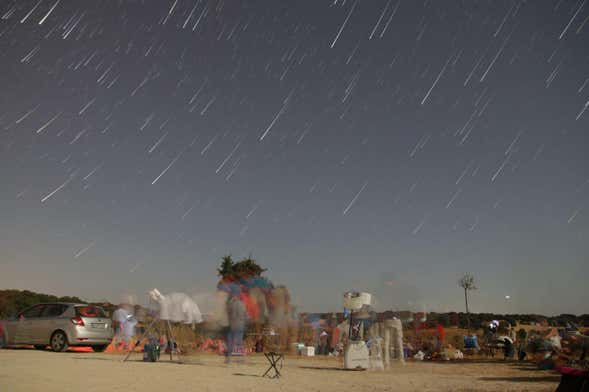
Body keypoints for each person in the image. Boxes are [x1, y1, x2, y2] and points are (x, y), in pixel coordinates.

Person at [225, 291, 247, 362]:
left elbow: (228, 313)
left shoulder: (230, 304)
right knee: (239, 341)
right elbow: (245, 314)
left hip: (232, 324)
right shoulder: (242, 304)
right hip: (240, 324)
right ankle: (239, 357)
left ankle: (228, 356)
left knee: (231, 340)